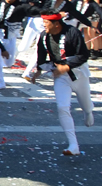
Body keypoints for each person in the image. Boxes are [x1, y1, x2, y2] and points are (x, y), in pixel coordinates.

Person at [26, 12, 94, 156]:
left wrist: (67, 66)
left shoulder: (72, 32)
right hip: (60, 76)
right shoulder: (44, 36)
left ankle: (88, 112)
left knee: (86, 104)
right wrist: (38, 70)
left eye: (46, 22)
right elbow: (41, 55)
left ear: (56, 24)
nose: (44, 24)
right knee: (62, 107)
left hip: (79, 74)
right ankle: (73, 145)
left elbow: (84, 55)